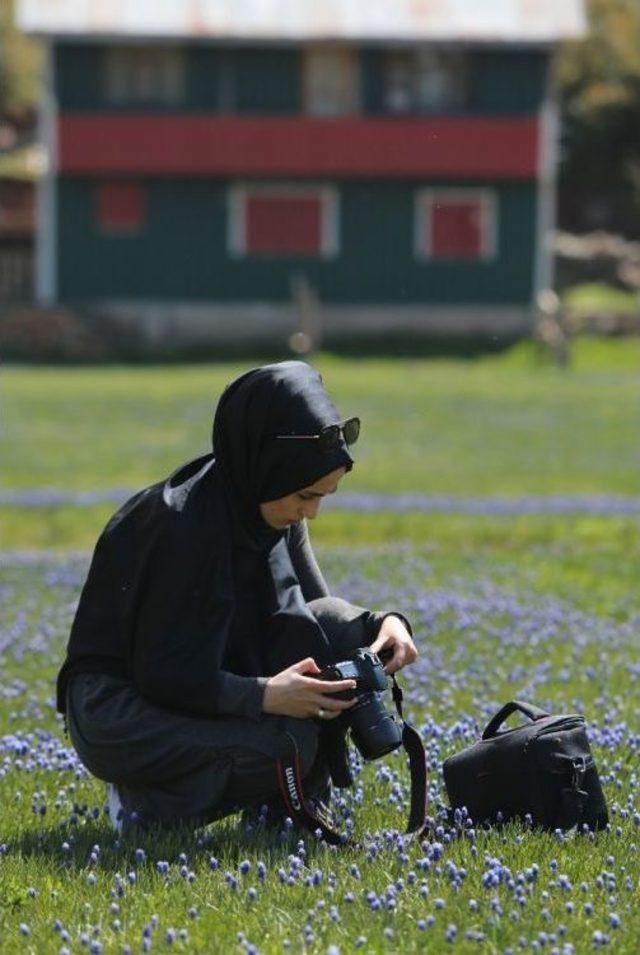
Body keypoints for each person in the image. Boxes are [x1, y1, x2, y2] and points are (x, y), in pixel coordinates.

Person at [57, 361, 418, 833]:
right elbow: (165, 672)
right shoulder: (180, 527)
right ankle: (149, 805)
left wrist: (382, 625)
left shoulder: (267, 505)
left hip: (198, 683)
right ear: (266, 467)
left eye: (323, 497)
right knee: (285, 745)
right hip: (124, 710)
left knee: (311, 687)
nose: (313, 513)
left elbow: (318, 618)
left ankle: (281, 806)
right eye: (307, 496)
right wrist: (266, 695)